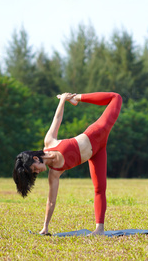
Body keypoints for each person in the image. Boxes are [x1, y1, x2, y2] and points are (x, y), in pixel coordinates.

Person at [13, 92, 122, 236]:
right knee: (100, 188)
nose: (37, 172)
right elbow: (51, 201)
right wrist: (45, 227)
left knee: (116, 98)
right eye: (34, 173)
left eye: (34, 169)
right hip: (97, 153)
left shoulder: (49, 142)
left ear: (35, 159)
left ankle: (77, 98)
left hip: (96, 133)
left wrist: (63, 100)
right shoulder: (54, 173)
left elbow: (57, 118)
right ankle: (99, 229)